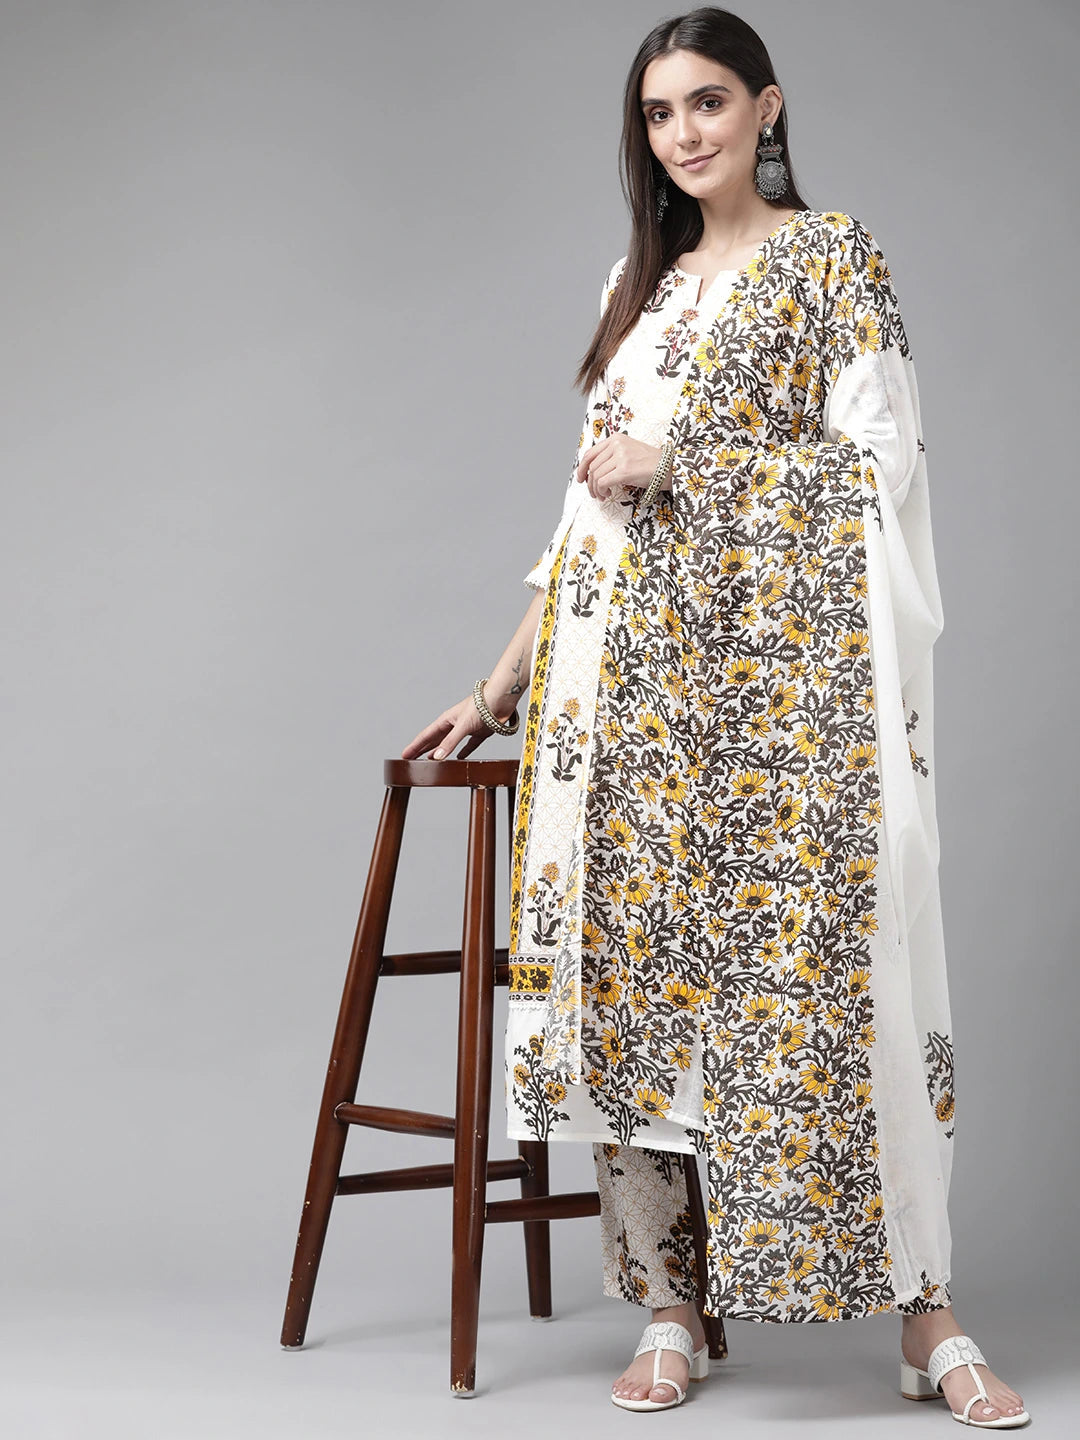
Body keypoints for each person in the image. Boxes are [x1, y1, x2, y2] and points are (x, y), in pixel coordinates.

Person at [402, 5, 1029, 1428]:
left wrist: (684, 459)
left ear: (767, 106)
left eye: (707, 102)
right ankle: (673, 1303)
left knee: (840, 978)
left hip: (784, 717)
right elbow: (586, 519)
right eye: (658, 113)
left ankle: (926, 1311)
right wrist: (499, 687)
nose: (683, 133)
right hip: (624, 709)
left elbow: (878, 474)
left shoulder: (834, 260)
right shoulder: (634, 287)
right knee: (638, 988)